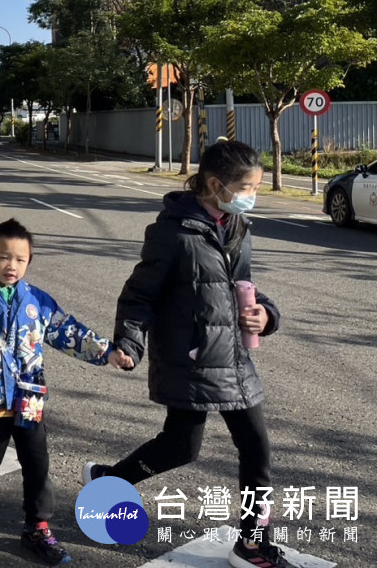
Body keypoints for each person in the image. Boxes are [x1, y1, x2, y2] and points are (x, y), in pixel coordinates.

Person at [83, 141, 292, 568]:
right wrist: (129, 343)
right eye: (247, 186)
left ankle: (251, 543)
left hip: (233, 357)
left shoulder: (237, 225)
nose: (254, 194)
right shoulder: (173, 232)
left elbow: (243, 285)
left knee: (257, 448)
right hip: (190, 360)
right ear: (216, 185)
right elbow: (139, 295)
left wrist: (265, 315)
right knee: (182, 448)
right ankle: (109, 480)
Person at [0, 218, 128, 566]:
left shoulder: (36, 301)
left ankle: (37, 527)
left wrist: (106, 351)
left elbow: (68, 332)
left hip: (30, 398)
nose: (12, 265)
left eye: (21, 259)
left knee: (37, 464)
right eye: (4, 257)